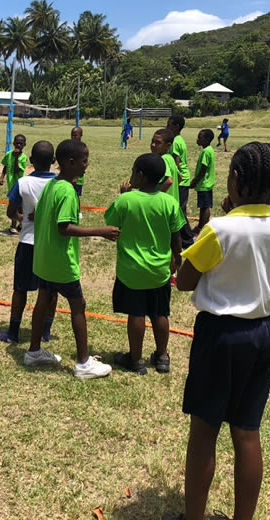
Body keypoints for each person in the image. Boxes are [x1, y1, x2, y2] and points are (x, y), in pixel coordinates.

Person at [173, 142, 270, 520]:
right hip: (263, 334)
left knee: (204, 432)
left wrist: (220, 223)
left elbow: (185, 281)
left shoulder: (219, 229)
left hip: (220, 335)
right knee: (246, 431)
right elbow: (254, 233)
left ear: (236, 179)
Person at [23, 138, 119, 379]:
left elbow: (39, 215)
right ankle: (84, 364)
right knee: (78, 306)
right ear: (70, 162)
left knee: (43, 301)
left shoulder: (53, 185)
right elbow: (64, 228)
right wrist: (101, 231)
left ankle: (33, 351)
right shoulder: (67, 191)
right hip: (61, 263)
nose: (87, 164)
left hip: (44, 259)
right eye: (84, 160)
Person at [106, 153, 185, 374]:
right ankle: (162, 356)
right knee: (160, 313)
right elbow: (176, 236)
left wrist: (123, 195)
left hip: (131, 271)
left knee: (136, 313)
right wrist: (177, 259)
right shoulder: (169, 202)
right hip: (160, 270)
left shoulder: (126, 200)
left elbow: (111, 223)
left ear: (140, 176)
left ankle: (135, 359)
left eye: (133, 171)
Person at [0, 140, 58, 344]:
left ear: (30, 160)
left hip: (28, 242)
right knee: (50, 290)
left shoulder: (23, 183)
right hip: (51, 245)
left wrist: (22, 218)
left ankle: (13, 332)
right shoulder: (60, 184)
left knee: (20, 289)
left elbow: (10, 212)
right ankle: (45, 331)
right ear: (53, 161)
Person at [167, 115, 193, 249]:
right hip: (183, 179)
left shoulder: (176, 141)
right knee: (180, 210)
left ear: (176, 126)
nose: (167, 126)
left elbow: (175, 162)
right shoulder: (179, 139)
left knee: (180, 212)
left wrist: (173, 179)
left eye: (169, 124)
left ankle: (188, 240)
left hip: (181, 180)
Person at [0, 134, 28, 235]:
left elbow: (16, 170)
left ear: (24, 145)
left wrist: (16, 158)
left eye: (21, 143)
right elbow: (5, 167)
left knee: (20, 206)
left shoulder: (23, 157)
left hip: (20, 185)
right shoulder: (8, 154)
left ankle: (19, 224)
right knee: (13, 206)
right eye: (17, 143)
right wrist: (1, 178)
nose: (18, 145)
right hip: (11, 185)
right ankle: (14, 226)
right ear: (13, 143)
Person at [189, 129, 216, 235]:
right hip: (208, 183)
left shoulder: (205, 152)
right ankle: (202, 224)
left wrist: (194, 181)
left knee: (204, 207)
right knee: (204, 206)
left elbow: (203, 170)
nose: (197, 139)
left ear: (207, 139)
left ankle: (201, 227)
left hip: (204, 184)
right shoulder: (209, 150)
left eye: (200, 137)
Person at [151, 128, 179, 205]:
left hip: (163, 204)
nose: (153, 145)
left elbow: (169, 181)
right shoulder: (170, 158)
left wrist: (154, 198)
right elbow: (179, 177)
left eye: (158, 143)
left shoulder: (163, 159)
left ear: (168, 146)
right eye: (152, 141)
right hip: (173, 202)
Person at [70, 127, 85, 197]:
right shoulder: (70, 146)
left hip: (78, 180)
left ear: (81, 135)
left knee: (76, 196)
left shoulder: (82, 148)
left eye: (75, 135)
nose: (73, 137)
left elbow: (84, 164)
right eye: (72, 135)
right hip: (69, 178)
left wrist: (76, 177)